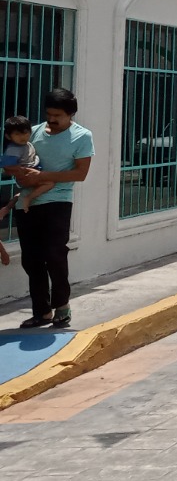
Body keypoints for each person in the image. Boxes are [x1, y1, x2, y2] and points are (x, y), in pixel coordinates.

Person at [5, 89, 93, 329]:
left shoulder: (82, 137)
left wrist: (42, 176)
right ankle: (41, 311)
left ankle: (62, 307)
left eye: (58, 115)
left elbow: (80, 173)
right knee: (31, 260)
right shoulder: (32, 132)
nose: (52, 120)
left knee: (54, 254)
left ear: (71, 114)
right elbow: (16, 159)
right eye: (49, 114)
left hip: (58, 201)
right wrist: (18, 175)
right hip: (28, 202)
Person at [1, 114, 57, 266]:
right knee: (50, 182)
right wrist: (21, 171)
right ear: (8, 136)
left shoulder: (25, 144)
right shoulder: (13, 148)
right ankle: (28, 198)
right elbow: (6, 166)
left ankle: (9, 207)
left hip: (33, 172)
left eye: (25, 132)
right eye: (18, 134)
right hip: (28, 174)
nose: (23, 136)